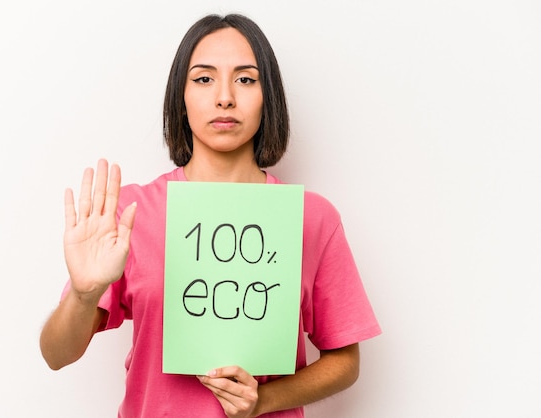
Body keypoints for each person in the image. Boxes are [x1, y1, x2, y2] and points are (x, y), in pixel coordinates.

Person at [40, 13, 381, 418]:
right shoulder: (131, 214)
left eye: (246, 79)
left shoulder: (312, 218)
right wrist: (84, 293)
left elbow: (345, 360)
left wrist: (264, 401)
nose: (225, 97)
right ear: (180, 98)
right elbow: (56, 355)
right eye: (203, 79)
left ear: (267, 97)